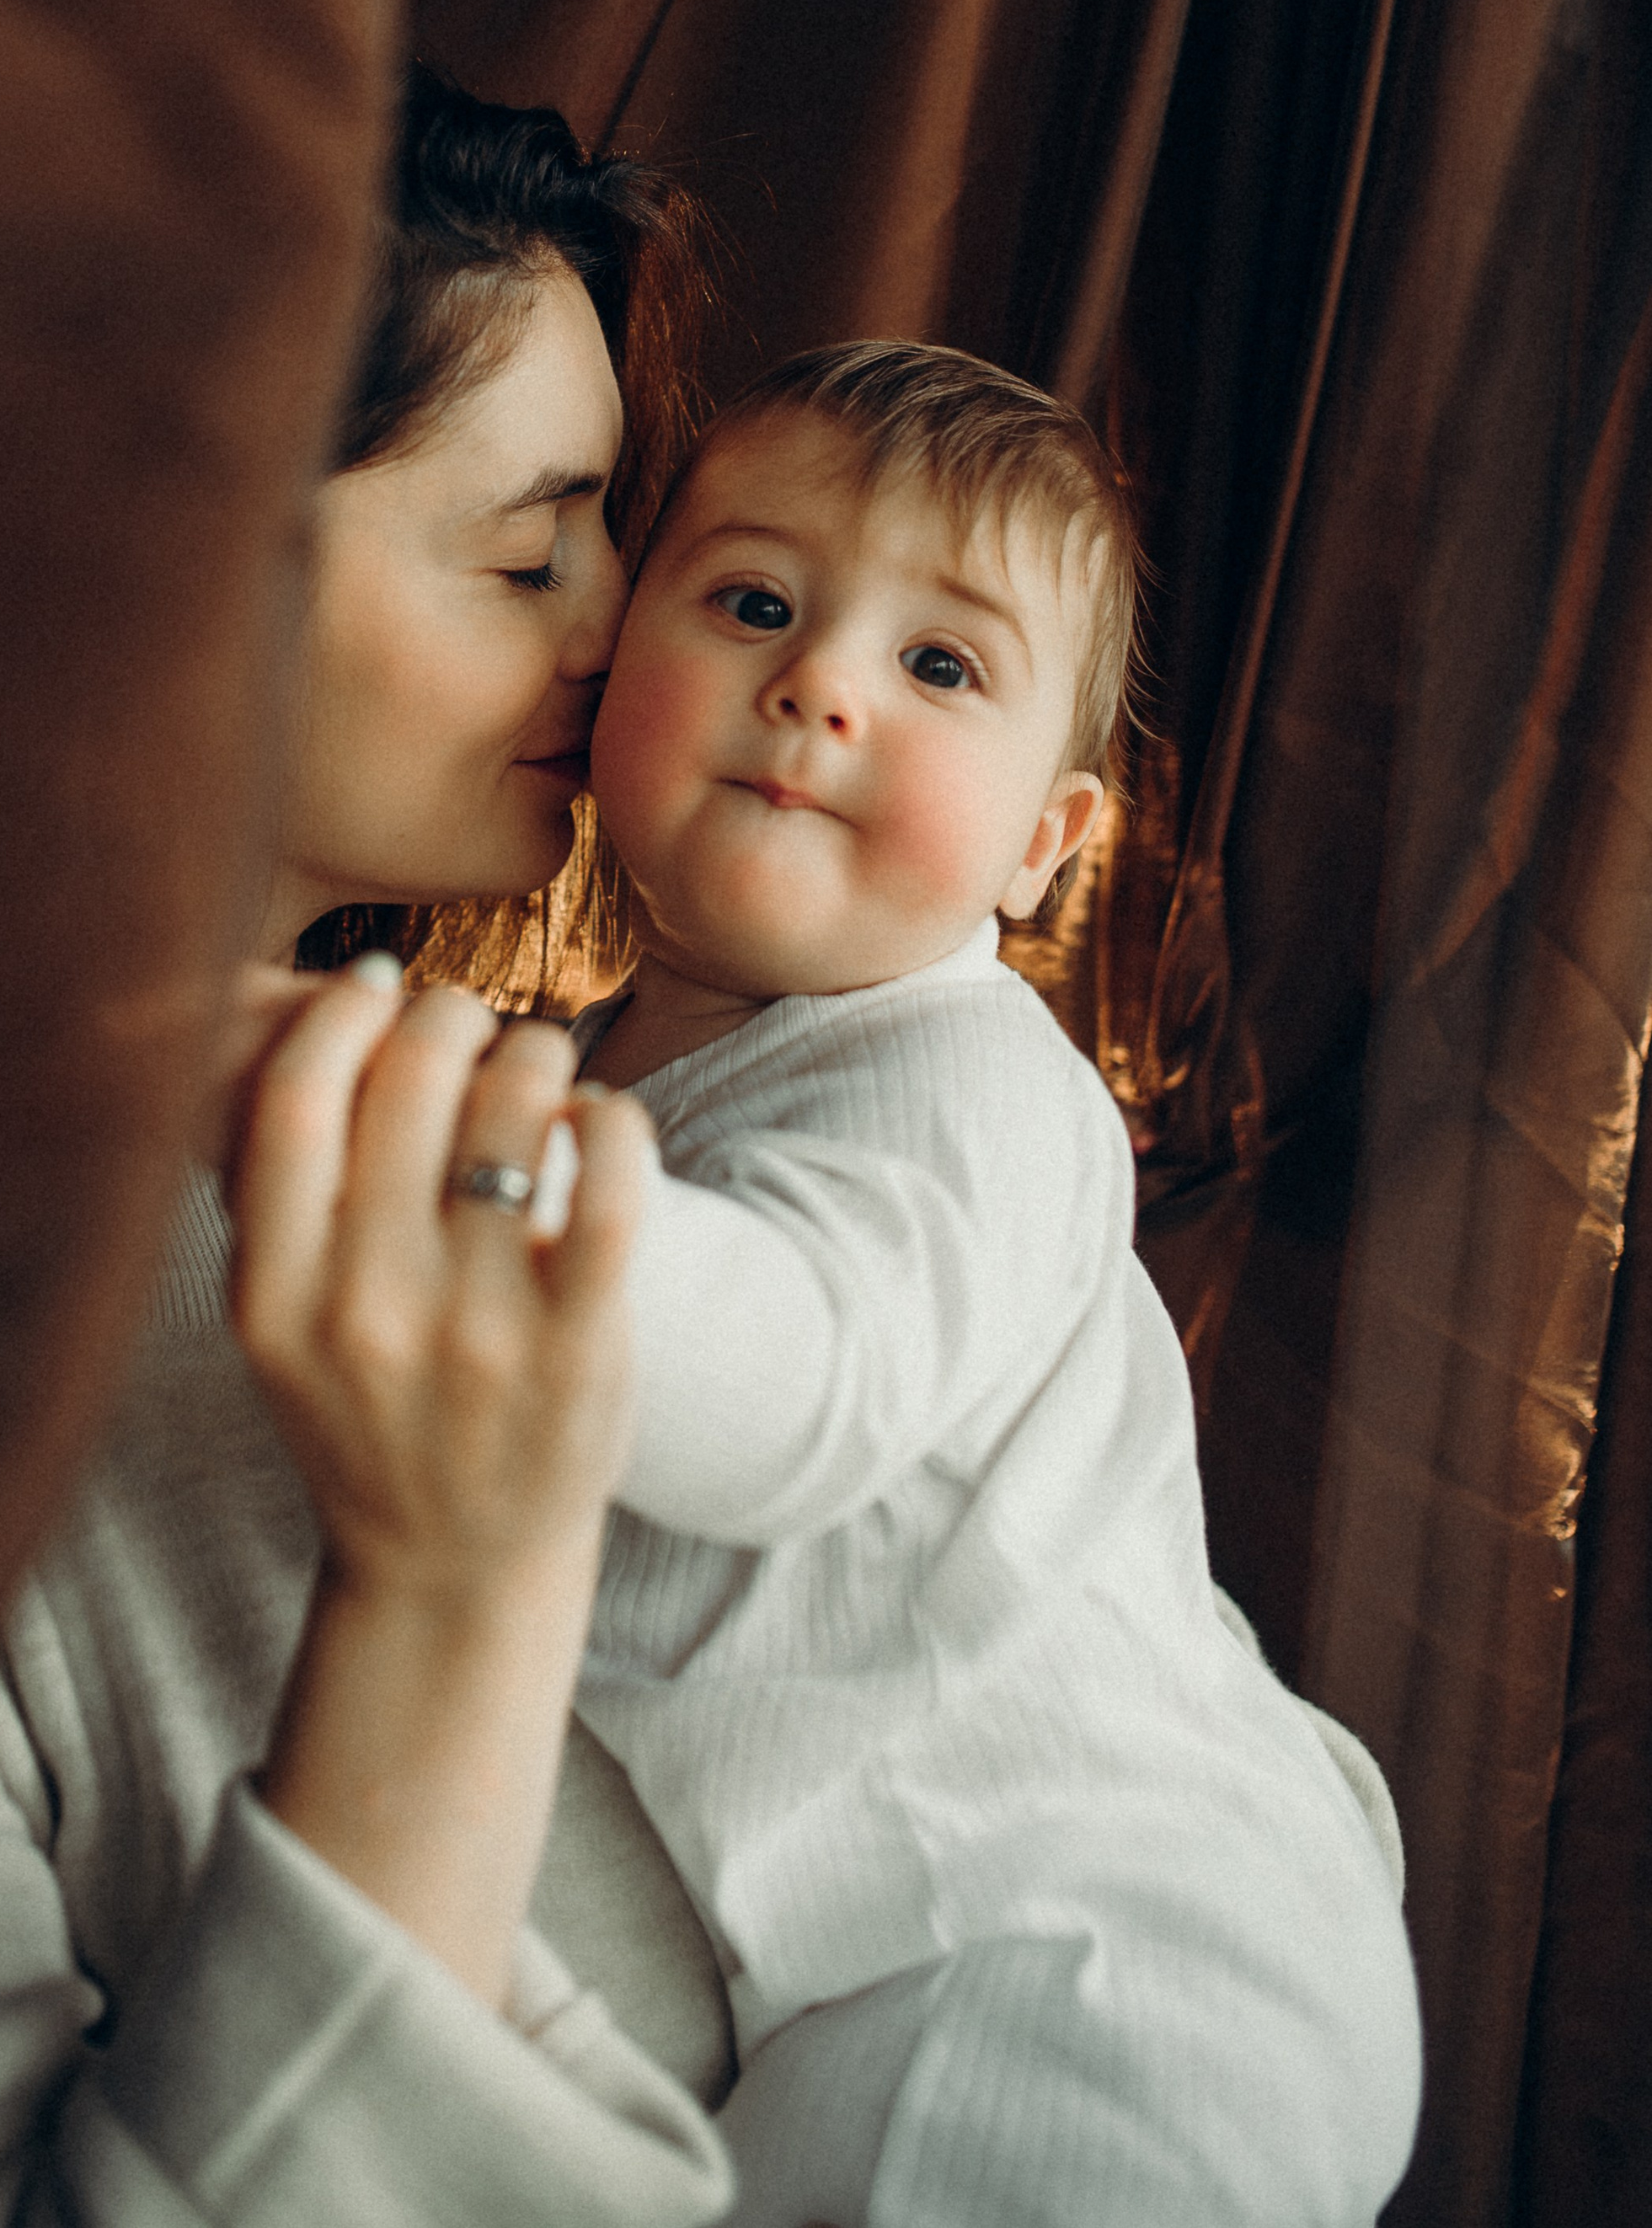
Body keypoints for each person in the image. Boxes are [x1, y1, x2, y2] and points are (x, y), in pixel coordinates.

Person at [0, 72, 735, 2225]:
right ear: (159, 568)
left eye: (615, 534)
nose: (620, 626)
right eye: (524, 548)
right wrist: (446, 1603)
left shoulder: (612, 1150)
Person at [570, 338, 1425, 2227]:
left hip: (1096, 1961)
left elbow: (778, 1390)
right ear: (612, 652)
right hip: (857, 1957)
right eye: (751, 602)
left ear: (1042, 847)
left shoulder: (960, 1082)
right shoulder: (584, 1074)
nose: (816, 684)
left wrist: (445, 1165)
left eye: (935, 663)